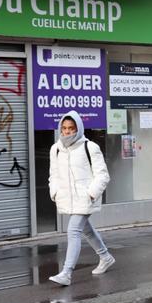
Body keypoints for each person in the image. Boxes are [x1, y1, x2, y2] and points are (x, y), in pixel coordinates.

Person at [47, 111, 113, 286]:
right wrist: (54, 192)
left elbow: (103, 175)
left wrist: (91, 193)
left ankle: (66, 273)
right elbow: (53, 175)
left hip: (85, 198)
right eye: (64, 128)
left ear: (78, 128)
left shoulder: (89, 147)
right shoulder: (55, 149)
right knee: (86, 230)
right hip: (68, 198)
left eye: (71, 128)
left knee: (73, 230)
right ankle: (105, 257)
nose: (67, 132)